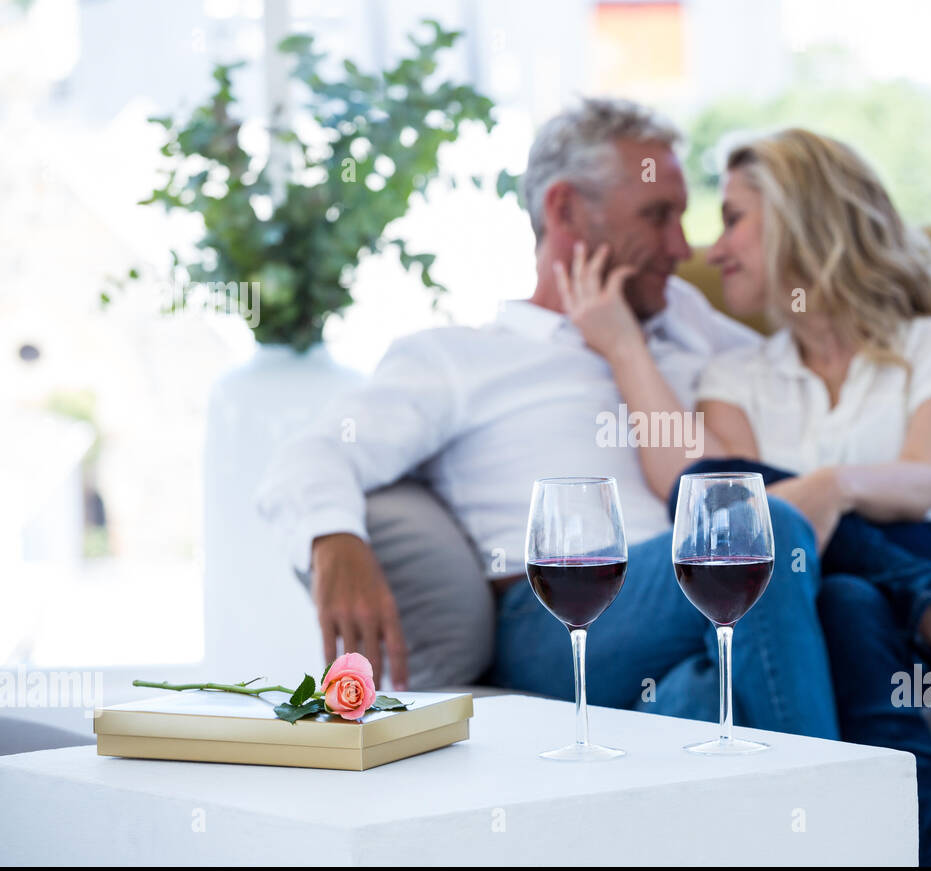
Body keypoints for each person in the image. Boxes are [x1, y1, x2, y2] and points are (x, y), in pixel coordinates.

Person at [557, 128, 931, 862]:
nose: (712, 250)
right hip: (858, 613)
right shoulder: (739, 377)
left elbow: (929, 477)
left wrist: (831, 489)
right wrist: (624, 347)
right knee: (832, 589)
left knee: (793, 543)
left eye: (734, 218)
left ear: (804, 218)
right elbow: (698, 499)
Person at [254, 98, 849, 752]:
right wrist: (334, 537)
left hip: (699, 618)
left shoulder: (689, 329)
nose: (683, 248)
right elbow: (313, 451)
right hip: (559, 614)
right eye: (657, 216)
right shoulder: (462, 358)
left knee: (711, 693)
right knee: (764, 533)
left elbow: (815, 355)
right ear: (564, 210)